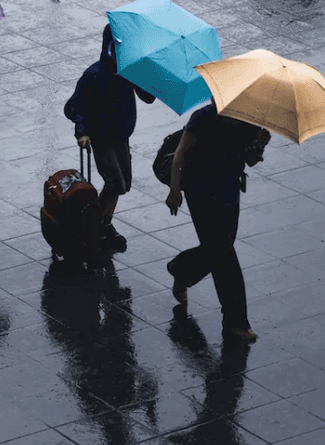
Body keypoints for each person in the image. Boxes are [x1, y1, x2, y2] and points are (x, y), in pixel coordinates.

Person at [165, 101, 271, 344]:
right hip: (201, 194)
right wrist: (175, 189)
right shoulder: (203, 118)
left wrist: (260, 145)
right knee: (225, 257)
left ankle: (182, 269)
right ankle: (236, 322)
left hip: (229, 194)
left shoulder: (248, 121)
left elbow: (250, 160)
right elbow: (181, 152)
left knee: (218, 250)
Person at [64, 24, 156, 248]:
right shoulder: (94, 75)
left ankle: (103, 223)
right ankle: (94, 224)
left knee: (123, 184)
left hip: (121, 136)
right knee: (115, 183)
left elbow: (148, 97)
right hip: (101, 138)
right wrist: (82, 131)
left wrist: (146, 74)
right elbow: (74, 107)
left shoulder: (129, 72)